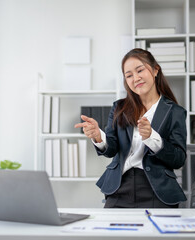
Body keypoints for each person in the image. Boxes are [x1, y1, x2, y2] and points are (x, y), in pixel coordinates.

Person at [74, 48, 187, 208]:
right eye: (129, 75)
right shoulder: (119, 107)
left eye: (140, 70)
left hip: (156, 189)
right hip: (119, 186)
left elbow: (179, 159)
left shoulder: (175, 112)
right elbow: (111, 148)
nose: (136, 78)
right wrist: (98, 136)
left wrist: (152, 138)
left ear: (155, 70)